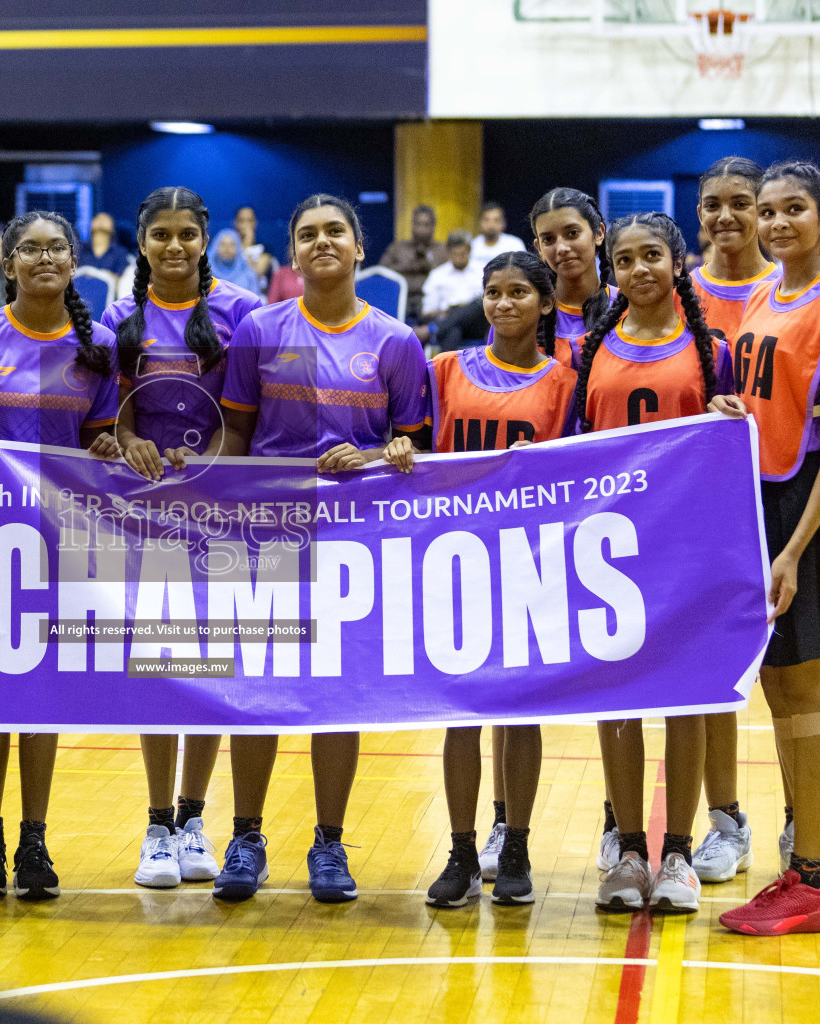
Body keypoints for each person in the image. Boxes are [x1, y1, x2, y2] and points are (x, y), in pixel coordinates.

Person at [204, 194, 426, 905]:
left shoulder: (396, 341)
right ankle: (245, 835)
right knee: (256, 693)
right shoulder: (260, 333)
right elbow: (237, 439)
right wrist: (213, 509)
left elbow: (415, 444)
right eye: (307, 234)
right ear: (292, 254)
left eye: (335, 231)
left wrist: (391, 449)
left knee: (339, 695)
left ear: (360, 249)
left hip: (358, 545)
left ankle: (329, 842)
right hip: (267, 533)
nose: (322, 241)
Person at [0, 210, 121, 902]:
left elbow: (101, 436)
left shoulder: (97, 344)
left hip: (61, 538)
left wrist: (105, 445)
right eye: (30, 249)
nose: (44, 258)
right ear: (8, 262)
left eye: (56, 249)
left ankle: (34, 836)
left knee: (41, 689)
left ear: (73, 262)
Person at [713, 160, 820, 936]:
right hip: (763, 499)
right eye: (767, 211)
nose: (776, 223)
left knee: (806, 692)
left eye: (793, 210)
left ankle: (807, 879)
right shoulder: (766, 294)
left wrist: (795, 549)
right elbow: (774, 396)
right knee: (783, 691)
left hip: (808, 506)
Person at [101, 186, 264, 889]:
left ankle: (196, 816)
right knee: (157, 666)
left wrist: (210, 472)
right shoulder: (115, 319)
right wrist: (127, 441)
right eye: (160, 235)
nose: (174, 247)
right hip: (140, 516)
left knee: (210, 667)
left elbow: (255, 417)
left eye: (186, 235)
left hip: (219, 510)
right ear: (143, 243)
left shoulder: (244, 314)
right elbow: (103, 419)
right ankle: (157, 823)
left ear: (206, 240)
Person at [572, 213, 732, 915]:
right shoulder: (594, 349)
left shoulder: (710, 348)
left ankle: (679, 855)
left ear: (677, 263)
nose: (639, 269)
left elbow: (732, 446)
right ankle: (630, 847)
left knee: (686, 701)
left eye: (653, 256)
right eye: (626, 258)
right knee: (620, 701)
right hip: (611, 549)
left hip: (688, 547)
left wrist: (731, 416)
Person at [422, 251, 572, 910]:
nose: (504, 303)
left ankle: (515, 842)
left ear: (545, 304)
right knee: (461, 713)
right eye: (493, 292)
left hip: (530, 558)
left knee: (521, 709)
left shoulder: (565, 382)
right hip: (455, 557)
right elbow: (414, 445)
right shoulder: (444, 371)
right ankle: (459, 849)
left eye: (518, 292)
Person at [686, 156, 776, 887]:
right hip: (695, 507)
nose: (725, 216)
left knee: (787, 677)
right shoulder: (678, 290)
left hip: (772, 495)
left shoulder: (793, 291)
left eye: (740, 203)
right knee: (705, 672)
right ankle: (726, 818)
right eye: (712, 203)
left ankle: (804, 818)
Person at [530, 189, 614, 369]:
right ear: (539, 248)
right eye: (549, 239)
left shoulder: (629, 306)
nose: (561, 248)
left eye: (572, 233)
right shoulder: (525, 313)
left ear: (599, 233)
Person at [378, 204, 448, 321]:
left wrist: (429, 266)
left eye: (426, 225)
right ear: (412, 224)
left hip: (431, 303)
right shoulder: (398, 248)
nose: (421, 229)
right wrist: (408, 266)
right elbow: (381, 272)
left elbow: (451, 275)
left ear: (433, 226)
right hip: (400, 299)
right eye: (418, 224)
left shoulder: (442, 250)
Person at [419, 229, 483, 337]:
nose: (459, 258)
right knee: (453, 332)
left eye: (462, 254)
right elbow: (427, 312)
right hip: (448, 321)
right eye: (455, 254)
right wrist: (446, 312)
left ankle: (434, 329)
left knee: (478, 303)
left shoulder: (482, 270)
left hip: (476, 324)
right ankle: (442, 333)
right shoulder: (437, 275)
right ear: (448, 253)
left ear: (469, 250)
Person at [470, 202, 528, 268]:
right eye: (486, 220)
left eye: (496, 220)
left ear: (503, 223)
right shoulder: (472, 246)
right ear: (480, 222)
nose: (491, 225)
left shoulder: (515, 245)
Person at [208, 228, 262, 297]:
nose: (227, 248)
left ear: (238, 248)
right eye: (222, 244)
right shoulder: (204, 274)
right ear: (215, 247)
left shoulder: (248, 275)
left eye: (232, 245)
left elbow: (254, 302)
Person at [82, 212, 133, 276]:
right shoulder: (79, 250)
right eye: (98, 218)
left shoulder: (120, 253)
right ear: (91, 224)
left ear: (112, 227)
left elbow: (123, 279)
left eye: (106, 219)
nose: (101, 220)